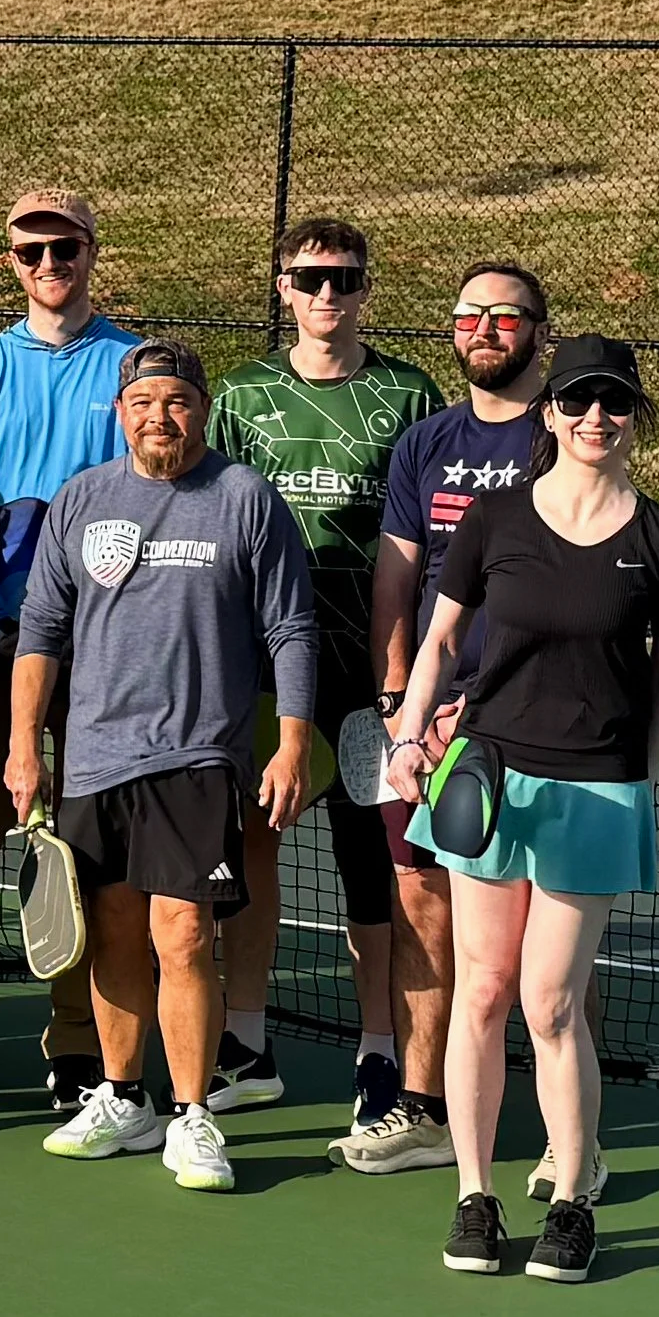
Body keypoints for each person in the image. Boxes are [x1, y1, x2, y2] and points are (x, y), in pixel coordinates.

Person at [388, 335, 659, 1283]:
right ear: (551, 413)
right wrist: (408, 737)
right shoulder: (495, 521)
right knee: (481, 990)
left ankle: (571, 1201)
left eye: (613, 402)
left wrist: (633, 784)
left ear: (634, 415)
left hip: (594, 792)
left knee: (552, 1002)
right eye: (576, 401)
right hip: (489, 778)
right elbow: (441, 642)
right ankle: (475, 1198)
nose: (594, 418)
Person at [16, 340, 316, 1195]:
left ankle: (192, 1116)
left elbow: (290, 628)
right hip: (94, 758)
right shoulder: (82, 500)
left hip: (199, 757)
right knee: (109, 931)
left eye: (178, 401)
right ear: (121, 413)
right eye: (144, 401)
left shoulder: (243, 498)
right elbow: (40, 631)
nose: (160, 416)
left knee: (181, 935)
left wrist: (291, 740)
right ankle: (123, 1098)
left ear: (203, 410)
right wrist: (22, 743)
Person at [207, 219, 442, 1136]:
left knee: (373, 863)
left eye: (343, 279)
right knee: (252, 845)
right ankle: (247, 1041)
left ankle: (380, 1052)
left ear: (364, 288)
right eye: (310, 278)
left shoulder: (408, 397)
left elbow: (428, 537)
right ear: (283, 288)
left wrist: (409, 671)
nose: (327, 296)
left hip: (371, 674)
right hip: (260, 665)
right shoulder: (238, 397)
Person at [0, 188, 142, 1109]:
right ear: (11, 261)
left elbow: (138, 495)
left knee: (84, 843)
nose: (48, 266)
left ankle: (79, 1037)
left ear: (92, 252)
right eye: (30, 252)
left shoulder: (132, 364)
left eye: (64, 248)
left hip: (99, 651)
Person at [345, 262, 557, 1178]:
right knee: (422, 905)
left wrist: (479, 701)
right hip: (424, 730)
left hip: (531, 725)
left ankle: (563, 1138)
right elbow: (398, 576)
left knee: (549, 934)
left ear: (538, 334)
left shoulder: (564, 437)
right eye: (469, 315)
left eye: (505, 317)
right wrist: (401, 704)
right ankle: (424, 1109)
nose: (484, 330)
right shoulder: (425, 442)